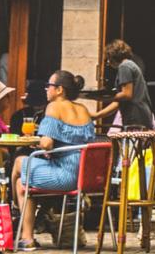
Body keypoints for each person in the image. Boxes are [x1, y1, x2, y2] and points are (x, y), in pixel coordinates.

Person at [11, 71, 95, 251]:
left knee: (19, 163)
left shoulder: (54, 107)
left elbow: (47, 143)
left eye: (49, 86)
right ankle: (26, 233)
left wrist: (39, 141)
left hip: (65, 175)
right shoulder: (83, 109)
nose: (46, 89)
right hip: (84, 175)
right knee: (22, 183)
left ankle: (18, 216)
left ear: (59, 90)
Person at [101, 40, 155, 129]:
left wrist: (103, 97)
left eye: (108, 58)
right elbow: (118, 102)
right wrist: (98, 115)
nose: (108, 62)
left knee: (134, 141)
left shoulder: (124, 67)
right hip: (141, 113)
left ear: (113, 56)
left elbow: (126, 94)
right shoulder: (131, 65)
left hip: (135, 115)